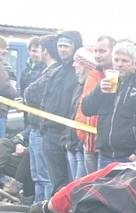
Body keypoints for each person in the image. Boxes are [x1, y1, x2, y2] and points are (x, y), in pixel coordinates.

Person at [82, 42, 136, 167]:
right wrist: (98, 90)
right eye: (116, 60)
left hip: (130, 157)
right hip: (105, 155)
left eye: (125, 61)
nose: (119, 64)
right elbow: (86, 109)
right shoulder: (107, 83)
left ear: (135, 64)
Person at [41, 30, 82, 195]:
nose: (62, 49)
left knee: (69, 185)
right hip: (49, 134)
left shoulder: (79, 72)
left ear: (75, 47)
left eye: (66, 45)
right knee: (56, 183)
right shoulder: (56, 71)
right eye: (60, 46)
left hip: (68, 136)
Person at [23, 35, 59, 203]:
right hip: (35, 127)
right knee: (38, 177)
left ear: (46, 50)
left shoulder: (54, 71)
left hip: (43, 129)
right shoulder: (43, 70)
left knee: (45, 178)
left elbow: (30, 93)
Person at [66, 47, 96, 180]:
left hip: (83, 147)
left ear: (86, 65)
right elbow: (73, 115)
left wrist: (80, 143)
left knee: (80, 191)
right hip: (72, 144)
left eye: (76, 61)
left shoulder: (94, 87)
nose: (73, 65)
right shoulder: (79, 87)